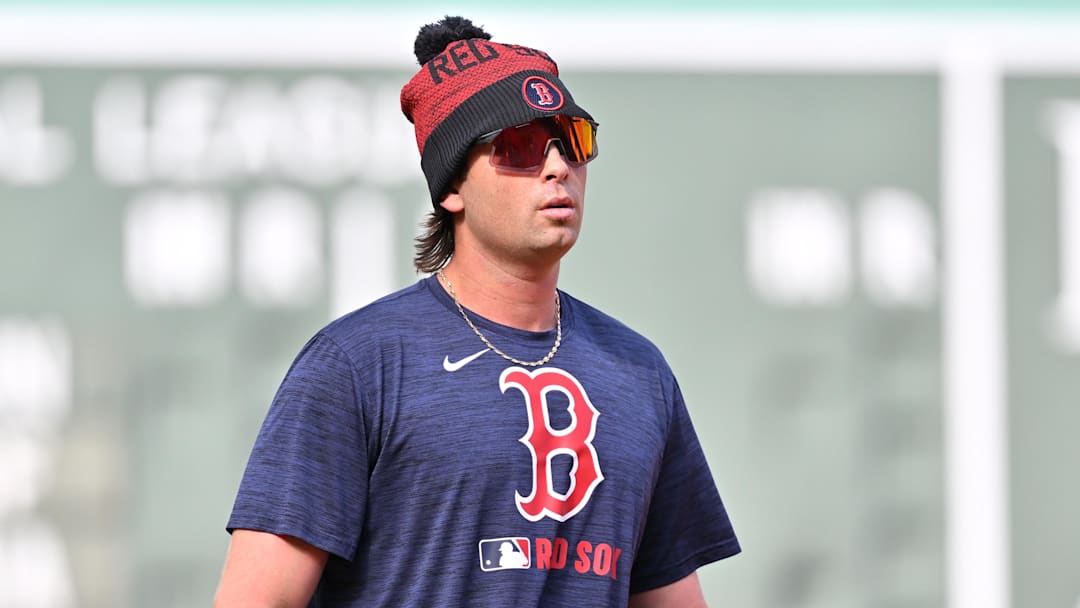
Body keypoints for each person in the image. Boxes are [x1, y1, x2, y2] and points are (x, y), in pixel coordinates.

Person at [214, 15, 740, 607]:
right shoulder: (358, 365)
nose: (557, 166)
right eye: (518, 147)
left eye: (574, 140)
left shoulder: (638, 373)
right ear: (451, 188)